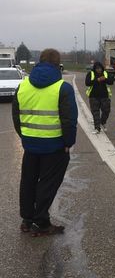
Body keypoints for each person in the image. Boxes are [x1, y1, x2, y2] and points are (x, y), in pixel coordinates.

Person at [12, 48, 78, 236]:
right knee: (47, 184)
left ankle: (27, 219)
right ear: (58, 65)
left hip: (31, 144)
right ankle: (41, 222)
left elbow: (16, 117)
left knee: (28, 181)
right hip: (54, 146)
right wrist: (68, 142)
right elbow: (69, 119)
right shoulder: (62, 88)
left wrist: (25, 135)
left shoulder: (23, 86)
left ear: (39, 61)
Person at [85, 61, 113, 133]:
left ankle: (102, 122)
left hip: (104, 96)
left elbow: (111, 82)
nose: (99, 70)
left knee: (106, 111)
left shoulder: (105, 73)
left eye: (100, 68)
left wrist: (105, 79)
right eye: (97, 68)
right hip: (93, 96)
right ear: (95, 69)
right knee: (95, 112)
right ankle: (97, 128)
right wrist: (97, 80)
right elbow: (87, 83)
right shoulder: (90, 74)